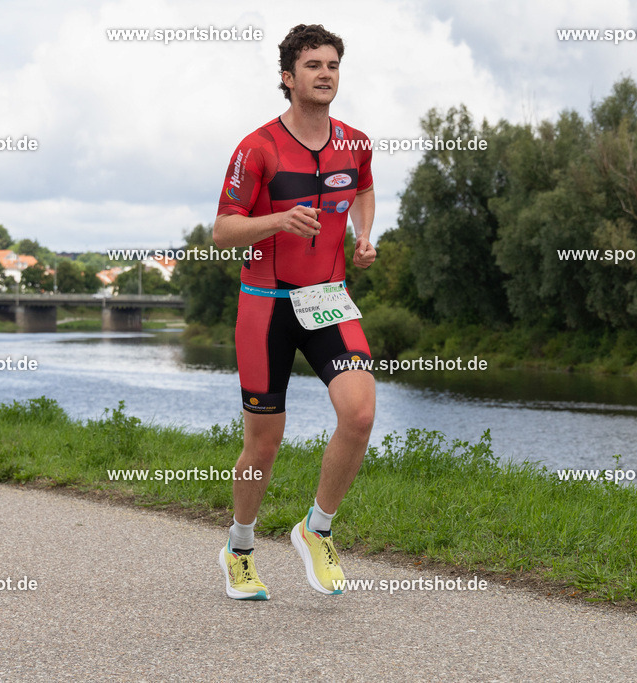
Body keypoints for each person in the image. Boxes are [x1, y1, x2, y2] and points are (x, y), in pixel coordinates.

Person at [213, 23, 377, 600]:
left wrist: (364, 234)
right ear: (288, 78)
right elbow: (222, 231)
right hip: (266, 305)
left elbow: (361, 187)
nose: (325, 73)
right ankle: (239, 547)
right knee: (265, 441)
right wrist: (277, 221)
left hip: (328, 298)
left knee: (358, 415)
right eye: (312, 65)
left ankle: (317, 528)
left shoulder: (355, 142)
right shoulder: (256, 147)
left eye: (332, 64)